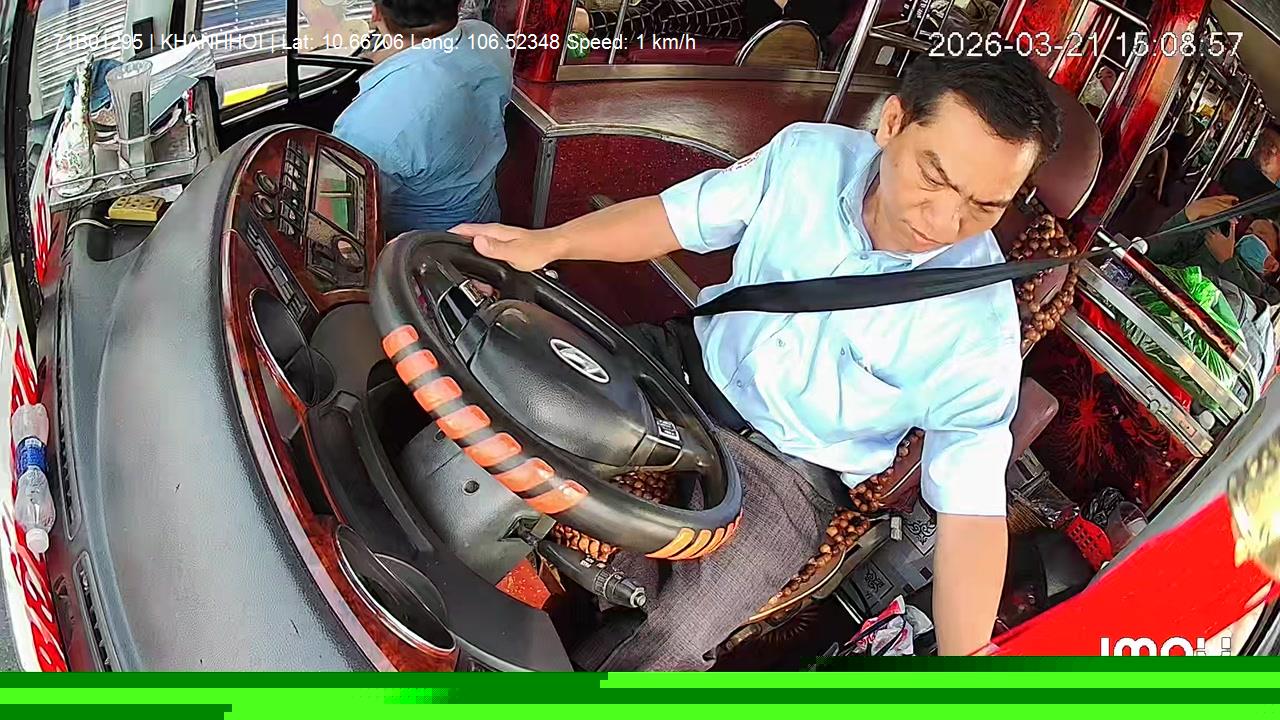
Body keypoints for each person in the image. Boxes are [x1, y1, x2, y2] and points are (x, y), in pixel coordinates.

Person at [452, 51, 1062, 668]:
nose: (945, 220)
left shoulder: (980, 326)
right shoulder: (808, 158)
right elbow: (678, 218)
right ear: (893, 123)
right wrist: (547, 243)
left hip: (788, 474)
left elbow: (971, 511)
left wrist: (965, 669)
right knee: (499, 394)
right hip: (683, 366)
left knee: (676, 634)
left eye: (985, 207)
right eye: (935, 177)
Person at [333, 0, 512, 236]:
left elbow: (346, 225)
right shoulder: (487, 37)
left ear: (375, 14)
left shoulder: (365, 126)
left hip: (420, 248)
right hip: (486, 219)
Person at [1147, 195, 1280, 304]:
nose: (1250, 238)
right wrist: (1190, 214)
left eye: (1260, 239)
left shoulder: (1263, 296)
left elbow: (1241, 314)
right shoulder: (1211, 241)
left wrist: (1227, 262)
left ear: (1273, 265)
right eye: (1249, 232)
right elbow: (1151, 253)